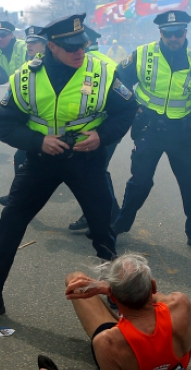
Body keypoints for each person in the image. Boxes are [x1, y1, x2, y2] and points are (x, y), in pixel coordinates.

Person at [0, 13, 138, 321]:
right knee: (10, 225)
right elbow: (4, 125)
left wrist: (102, 136)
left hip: (86, 161)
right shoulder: (26, 76)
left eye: (82, 44)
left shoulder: (102, 71)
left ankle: (116, 295)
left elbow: (127, 109)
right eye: (71, 47)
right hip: (41, 162)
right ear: (51, 47)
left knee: (102, 232)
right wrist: (37, 141)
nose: (79, 51)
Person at [111, 10, 191, 254]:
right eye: (168, 33)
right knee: (140, 182)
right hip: (149, 129)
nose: (173, 38)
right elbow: (117, 80)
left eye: (178, 33)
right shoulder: (142, 54)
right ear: (160, 33)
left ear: (185, 33)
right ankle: (120, 224)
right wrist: (131, 105)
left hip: (182, 132)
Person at [64, 253, 191, 370]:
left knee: (74, 278)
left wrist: (108, 288)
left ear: (112, 298)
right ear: (153, 286)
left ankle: (126, 326)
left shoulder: (107, 342)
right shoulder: (180, 305)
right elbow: (157, 297)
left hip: (123, 342)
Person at [68, 25, 122, 232]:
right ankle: (102, 214)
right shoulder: (105, 61)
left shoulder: (96, 64)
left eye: (76, 45)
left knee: (94, 172)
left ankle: (107, 217)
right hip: (102, 128)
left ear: (86, 44)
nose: (74, 50)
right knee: (94, 171)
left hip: (101, 129)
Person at [0, 25, 47, 206]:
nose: (30, 45)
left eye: (35, 42)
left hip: (56, 127)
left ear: (45, 44)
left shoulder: (48, 65)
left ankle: (108, 214)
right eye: (29, 42)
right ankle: (18, 197)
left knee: (83, 178)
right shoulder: (30, 66)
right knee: (22, 158)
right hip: (38, 125)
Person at [0, 21, 28, 85]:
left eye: (3, 35)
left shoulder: (24, 47)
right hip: (17, 88)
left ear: (11, 35)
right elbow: (4, 77)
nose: (0, 39)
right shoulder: (0, 54)